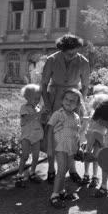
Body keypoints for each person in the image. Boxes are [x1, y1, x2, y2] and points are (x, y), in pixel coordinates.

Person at [41, 33, 90, 184]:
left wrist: (80, 103)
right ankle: (51, 169)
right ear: (62, 50)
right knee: (52, 133)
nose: (73, 55)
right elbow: (43, 84)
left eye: (76, 52)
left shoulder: (83, 61)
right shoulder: (52, 59)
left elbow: (86, 86)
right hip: (55, 98)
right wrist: (48, 105)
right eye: (70, 53)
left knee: (73, 134)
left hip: (74, 99)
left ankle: (73, 170)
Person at [47, 88, 83, 209]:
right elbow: (50, 130)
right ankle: (54, 196)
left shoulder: (76, 117)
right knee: (61, 170)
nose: (69, 102)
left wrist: (78, 148)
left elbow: (77, 133)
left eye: (73, 101)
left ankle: (61, 191)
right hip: (60, 146)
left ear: (77, 104)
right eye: (66, 99)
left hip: (71, 148)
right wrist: (50, 147)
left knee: (66, 169)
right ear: (62, 100)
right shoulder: (58, 114)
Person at [81, 85, 108, 198]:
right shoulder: (93, 111)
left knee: (95, 157)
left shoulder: (105, 114)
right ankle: (86, 174)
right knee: (88, 155)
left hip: (99, 137)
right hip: (90, 136)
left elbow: (104, 127)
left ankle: (95, 176)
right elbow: (89, 123)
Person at [15, 84, 44, 188]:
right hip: (26, 136)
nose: (37, 100)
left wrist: (43, 115)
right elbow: (27, 118)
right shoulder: (24, 108)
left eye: (38, 98)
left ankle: (32, 173)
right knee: (25, 156)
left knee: (36, 156)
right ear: (27, 98)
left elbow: (40, 120)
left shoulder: (38, 108)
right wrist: (40, 113)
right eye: (35, 98)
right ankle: (19, 175)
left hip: (36, 135)